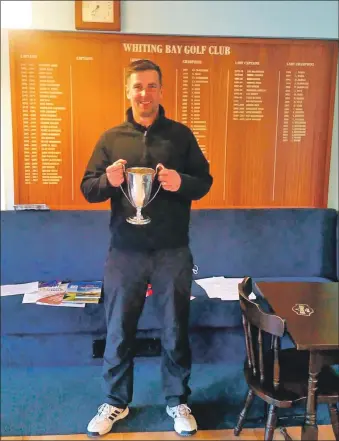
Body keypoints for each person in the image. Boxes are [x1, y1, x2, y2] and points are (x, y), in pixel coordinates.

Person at [81, 59, 213, 438]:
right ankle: (115, 402)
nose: (144, 93)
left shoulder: (181, 136)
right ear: (128, 91)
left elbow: (204, 182)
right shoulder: (110, 139)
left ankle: (176, 401)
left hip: (172, 251)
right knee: (119, 330)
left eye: (151, 86)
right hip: (125, 252)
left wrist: (180, 182)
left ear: (160, 90)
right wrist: (106, 181)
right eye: (138, 86)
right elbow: (88, 189)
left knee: (175, 329)